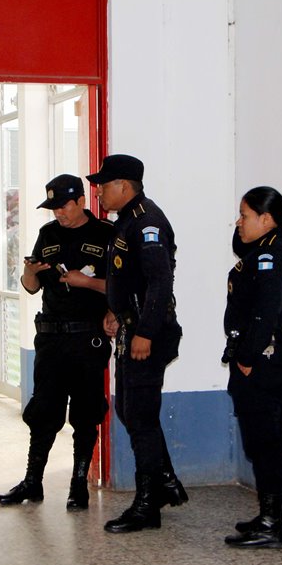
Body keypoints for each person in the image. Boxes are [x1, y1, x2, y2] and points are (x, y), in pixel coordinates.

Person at [0, 175, 113, 510]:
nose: (58, 213)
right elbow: (32, 286)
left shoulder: (105, 235)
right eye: (53, 207)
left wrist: (85, 282)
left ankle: (79, 484)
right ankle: (33, 481)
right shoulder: (48, 234)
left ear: (80, 202)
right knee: (44, 411)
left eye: (63, 206)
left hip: (87, 338)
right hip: (51, 339)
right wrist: (30, 273)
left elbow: (118, 287)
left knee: (86, 412)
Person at [87, 154, 188, 534]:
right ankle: (165, 480)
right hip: (133, 328)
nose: (98, 192)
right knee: (130, 411)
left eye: (103, 185)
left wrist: (144, 331)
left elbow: (160, 282)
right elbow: (130, 280)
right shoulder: (127, 221)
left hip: (150, 333)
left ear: (124, 186)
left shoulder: (148, 223)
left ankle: (148, 504)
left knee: (140, 416)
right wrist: (117, 311)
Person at [222, 186, 282, 549]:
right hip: (270, 358)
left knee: (266, 443)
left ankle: (273, 523)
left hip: (264, 359)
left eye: (244, 215)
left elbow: (265, 312)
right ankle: (269, 516)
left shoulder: (271, 255)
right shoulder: (267, 248)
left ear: (266, 219)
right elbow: (240, 245)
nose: (238, 222)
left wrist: (247, 357)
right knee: (265, 441)